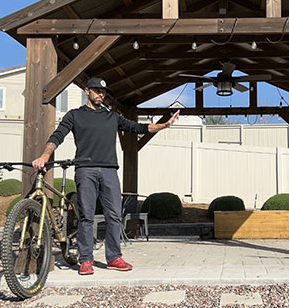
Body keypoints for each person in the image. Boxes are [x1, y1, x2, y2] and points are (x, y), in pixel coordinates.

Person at [32, 77, 179, 275]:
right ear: (87, 91)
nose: (100, 94)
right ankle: (85, 260)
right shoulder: (74, 115)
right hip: (85, 170)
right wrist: (44, 156)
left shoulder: (112, 117)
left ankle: (114, 257)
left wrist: (164, 125)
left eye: (103, 92)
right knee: (86, 216)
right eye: (96, 91)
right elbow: (57, 135)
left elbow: (138, 127)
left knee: (114, 215)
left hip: (109, 170)